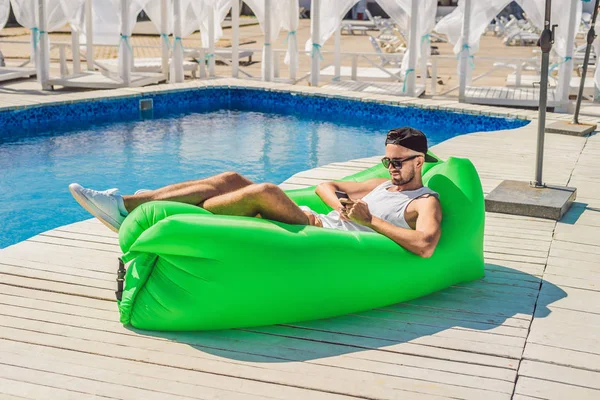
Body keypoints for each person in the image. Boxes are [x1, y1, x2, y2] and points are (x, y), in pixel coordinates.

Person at [69, 127, 442, 258]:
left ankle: (141, 206)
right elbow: (324, 186)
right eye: (387, 160)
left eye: (399, 162)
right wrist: (342, 205)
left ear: (420, 161)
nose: (391, 168)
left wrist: (369, 219)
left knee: (264, 190)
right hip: (317, 222)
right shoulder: (381, 183)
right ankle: (129, 205)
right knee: (231, 177)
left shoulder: (424, 202)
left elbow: (425, 246)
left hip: (325, 238)